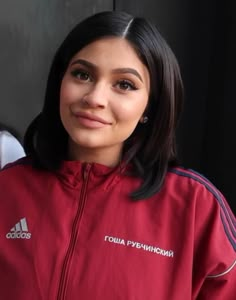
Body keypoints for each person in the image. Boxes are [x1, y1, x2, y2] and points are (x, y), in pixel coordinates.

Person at [0, 11, 235, 300]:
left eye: (124, 84)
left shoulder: (196, 207)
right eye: (82, 74)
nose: (95, 98)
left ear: (150, 106)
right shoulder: (7, 189)